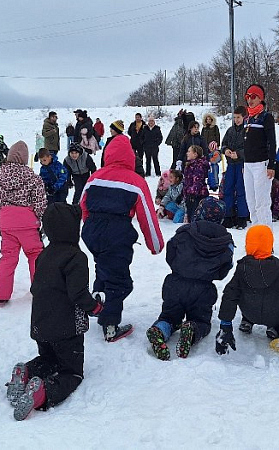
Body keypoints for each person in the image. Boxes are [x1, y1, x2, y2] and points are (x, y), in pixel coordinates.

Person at [6, 203, 103, 421]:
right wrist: (95, 307)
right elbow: (77, 293)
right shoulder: (75, 257)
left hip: (41, 324)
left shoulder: (44, 255)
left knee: (48, 358)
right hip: (67, 328)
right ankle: (43, 393)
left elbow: (37, 287)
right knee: (71, 371)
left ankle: (27, 372)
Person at [80, 135, 164, 342]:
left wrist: (90, 227)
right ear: (130, 157)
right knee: (120, 283)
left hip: (92, 232)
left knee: (103, 265)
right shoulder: (135, 181)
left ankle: (98, 295)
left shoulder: (95, 177)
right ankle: (110, 325)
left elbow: (83, 204)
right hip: (117, 235)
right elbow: (147, 216)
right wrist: (155, 245)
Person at [146, 197, 234, 360]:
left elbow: (171, 252)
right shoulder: (225, 241)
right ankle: (192, 329)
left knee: (169, 316)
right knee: (201, 320)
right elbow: (224, 269)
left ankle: (160, 330)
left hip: (175, 284)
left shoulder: (185, 232)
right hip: (203, 290)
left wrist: (179, 268)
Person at [215, 225, 279, 354]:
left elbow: (230, 295)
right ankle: (275, 327)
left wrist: (225, 324)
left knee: (242, 291)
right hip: (276, 316)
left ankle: (247, 321)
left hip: (250, 313)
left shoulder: (242, 269)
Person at [0, 141, 46, 304]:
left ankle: (1, 294)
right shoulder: (33, 178)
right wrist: (43, 221)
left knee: (8, 258)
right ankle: (40, 291)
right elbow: (39, 202)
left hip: (7, 223)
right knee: (35, 256)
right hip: (28, 223)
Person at [242, 84, 277, 226]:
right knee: (251, 202)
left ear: (260, 99)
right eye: (248, 97)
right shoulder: (248, 119)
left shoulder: (266, 117)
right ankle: (256, 232)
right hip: (248, 165)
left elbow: (272, 142)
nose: (250, 100)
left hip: (261, 164)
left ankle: (266, 234)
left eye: (253, 97)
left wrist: (271, 165)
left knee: (262, 203)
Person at [220, 106, 249, 229]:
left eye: (238, 117)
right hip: (231, 164)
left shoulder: (247, 131)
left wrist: (239, 154)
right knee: (228, 189)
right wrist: (225, 150)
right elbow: (223, 144)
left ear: (244, 117)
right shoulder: (230, 130)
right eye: (235, 117)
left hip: (242, 164)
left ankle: (242, 217)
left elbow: (250, 148)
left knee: (241, 190)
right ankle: (229, 216)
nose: (236, 120)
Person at [182, 145, 209, 223]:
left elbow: (198, 181)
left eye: (189, 151)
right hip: (190, 195)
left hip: (197, 195)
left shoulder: (199, 165)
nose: (187, 153)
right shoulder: (190, 165)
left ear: (195, 154)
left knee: (195, 218)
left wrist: (192, 192)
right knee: (190, 217)